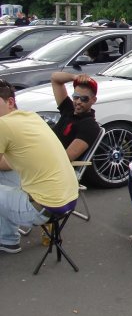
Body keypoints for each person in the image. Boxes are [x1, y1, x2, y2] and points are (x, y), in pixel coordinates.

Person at [0, 79, 79, 253]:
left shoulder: (3, 124)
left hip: (42, 210)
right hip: (69, 200)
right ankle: (7, 239)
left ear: (10, 102)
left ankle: (8, 239)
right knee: (5, 174)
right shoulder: (32, 117)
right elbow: (7, 163)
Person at [50, 73, 101, 162]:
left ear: (93, 100)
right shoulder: (69, 109)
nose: (78, 102)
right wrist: (75, 77)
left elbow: (66, 158)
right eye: (76, 97)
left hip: (52, 163)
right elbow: (55, 78)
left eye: (84, 99)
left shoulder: (90, 126)